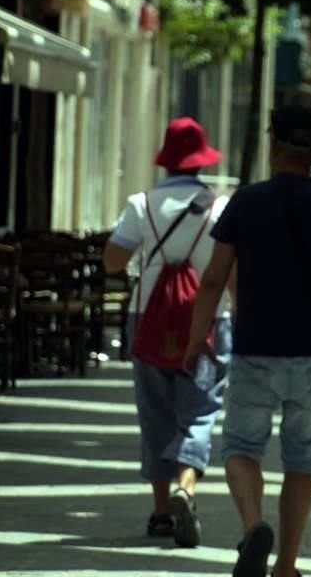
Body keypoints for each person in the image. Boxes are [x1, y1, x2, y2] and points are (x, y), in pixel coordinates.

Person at [185, 104, 311, 577]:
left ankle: (254, 524)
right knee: (302, 462)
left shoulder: (246, 202)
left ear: (272, 145)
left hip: (255, 349)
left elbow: (213, 279)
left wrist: (197, 338)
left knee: (239, 449)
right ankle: (287, 565)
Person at [102, 116, 232, 548]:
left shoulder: (141, 204)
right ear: (201, 161)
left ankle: (160, 512)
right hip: (209, 320)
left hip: (149, 318)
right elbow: (232, 275)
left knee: (154, 413)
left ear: (166, 160)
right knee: (200, 410)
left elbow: (112, 262)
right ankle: (187, 486)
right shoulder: (220, 208)